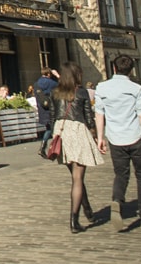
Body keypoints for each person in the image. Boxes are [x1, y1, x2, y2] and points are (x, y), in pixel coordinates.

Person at [95, 55, 141, 229]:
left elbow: (99, 114)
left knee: (121, 175)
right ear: (131, 70)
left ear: (114, 68)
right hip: (136, 137)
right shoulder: (137, 89)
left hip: (115, 138)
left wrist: (100, 138)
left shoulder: (102, 88)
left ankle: (117, 200)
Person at [44, 61, 105, 233]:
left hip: (61, 132)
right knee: (78, 178)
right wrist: (96, 136)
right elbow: (88, 117)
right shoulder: (81, 92)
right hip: (77, 130)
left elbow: (52, 117)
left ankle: (87, 209)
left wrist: (50, 139)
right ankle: (74, 219)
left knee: (75, 176)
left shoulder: (55, 92)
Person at [34, 68, 60, 158]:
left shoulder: (36, 84)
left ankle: (43, 147)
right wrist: (57, 76)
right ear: (49, 74)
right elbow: (64, 86)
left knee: (49, 128)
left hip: (42, 109)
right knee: (54, 128)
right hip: (52, 108)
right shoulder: (52, 83)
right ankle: (53, 149)